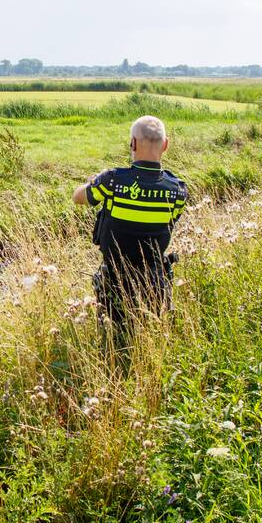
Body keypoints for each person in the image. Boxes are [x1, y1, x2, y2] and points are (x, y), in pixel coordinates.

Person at [72, 115, 188, 369]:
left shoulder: (112, 180)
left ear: (132, 144)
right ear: (165, 145)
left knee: (113, 337)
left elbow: (78, 197)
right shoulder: (178, 190)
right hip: (153, 279)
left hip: (114, 276)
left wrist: (92, 182)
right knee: (150, 338)